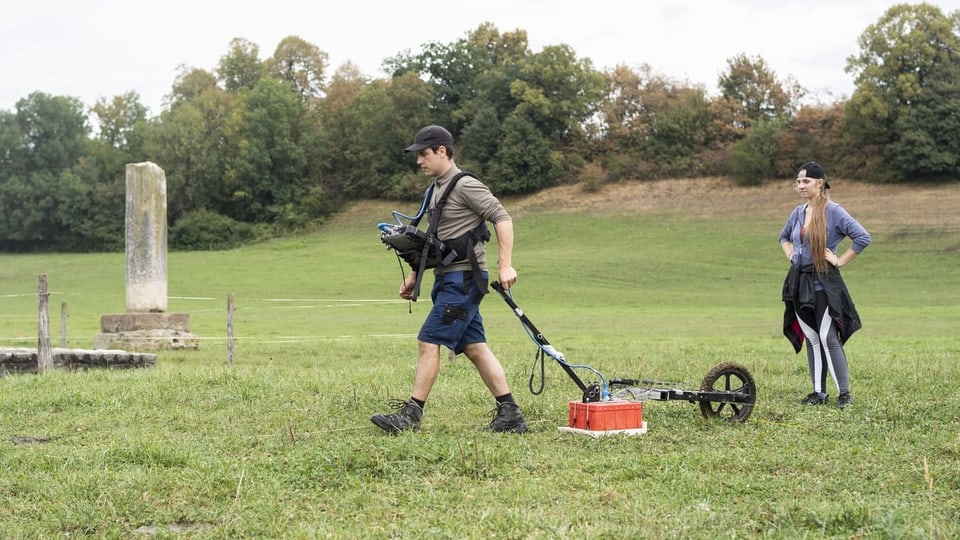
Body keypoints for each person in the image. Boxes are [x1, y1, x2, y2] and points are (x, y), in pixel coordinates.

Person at [371, 124, 528, 434]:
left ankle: (411, 416)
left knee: (428, 341)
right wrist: (415, 274)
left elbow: (502, 217)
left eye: (424, 154)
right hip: (448, 279)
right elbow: (434, 239)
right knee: (475, 347)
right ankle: (510, 413)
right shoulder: (436, 188)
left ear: (442, 151)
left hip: (465, 280)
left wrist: (505, 265)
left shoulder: (466, 184)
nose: (418, 161)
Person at [779, 161, 871, 409]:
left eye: (806, 181)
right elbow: (784, 237)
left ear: (820, 183)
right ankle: (819, 393)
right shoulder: (798, 212)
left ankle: (845, 394)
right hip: (799, 283)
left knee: (828, 337)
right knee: (811, 337)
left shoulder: (834, 211)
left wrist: (839, 260)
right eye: (799, 181)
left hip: (824, 283)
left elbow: (863, 237)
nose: (801, 185)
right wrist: (791, 256)